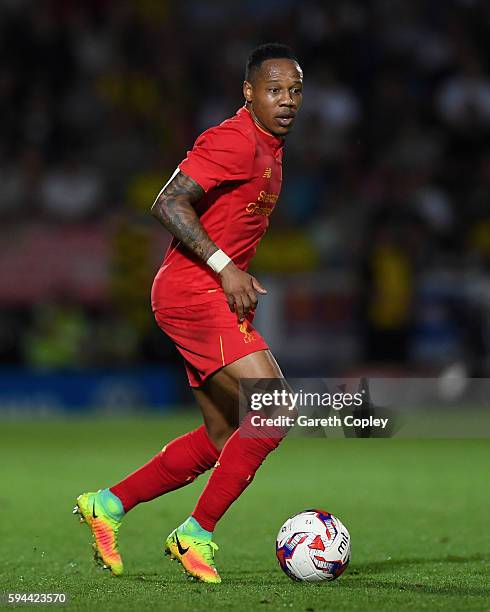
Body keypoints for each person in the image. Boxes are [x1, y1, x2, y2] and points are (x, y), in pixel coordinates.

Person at [74, 43, 303, 584]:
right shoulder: (234, 139)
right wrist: (226, 266)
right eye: (274, 90)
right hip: (194, 292)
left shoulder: (271, 146)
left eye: (295, 91)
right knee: (274, 409)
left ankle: (108, 504)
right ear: (249, 93)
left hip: (205, 294)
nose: (287, 100)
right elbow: (169, 202)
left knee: (226, 436)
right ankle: (195, 533)